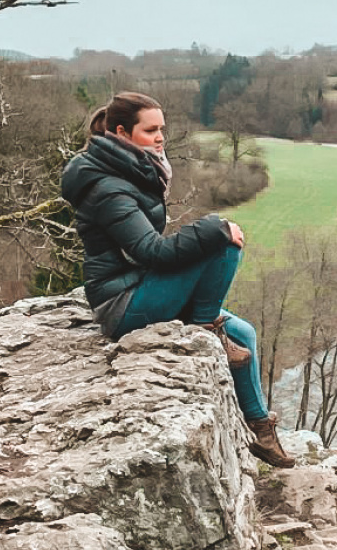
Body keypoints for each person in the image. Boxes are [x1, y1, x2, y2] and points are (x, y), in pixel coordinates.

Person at [60, 90, 294, 468]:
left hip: (141, 284)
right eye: (151, 130)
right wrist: (212, 230)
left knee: (245, 334)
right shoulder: (108, 188)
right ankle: (205, 324)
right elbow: (151, 251)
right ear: (122, 131)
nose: (160, 137)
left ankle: (260, 431)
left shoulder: (131, 171)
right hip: (122, 304)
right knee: (223, 243)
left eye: (162, 129)